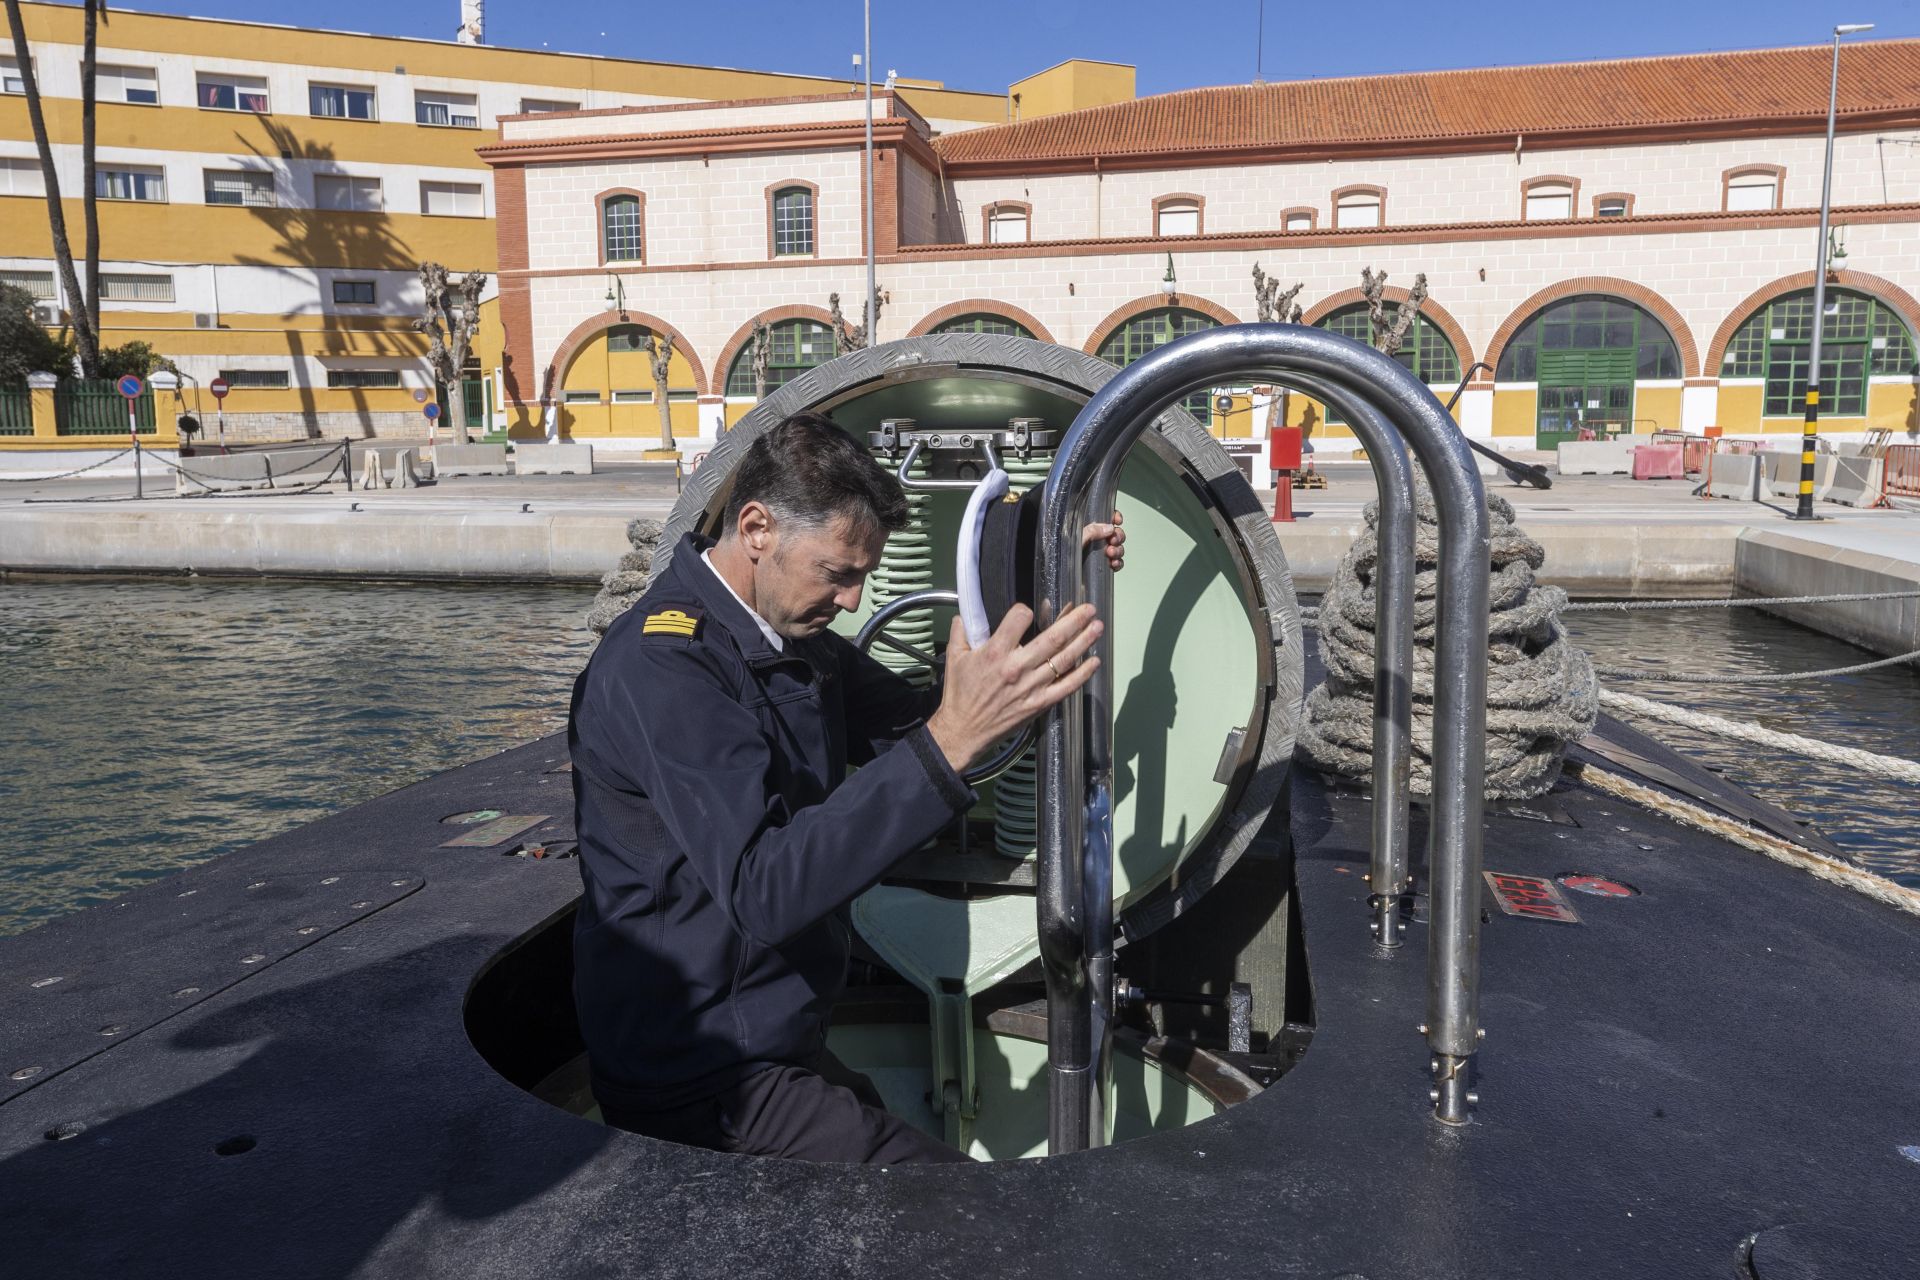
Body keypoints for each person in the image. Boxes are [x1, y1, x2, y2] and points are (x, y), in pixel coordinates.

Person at [568, 412, 1123, 1165]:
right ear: (757, 527)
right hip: (698, 1073)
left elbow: (932, 723)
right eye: (838, 573)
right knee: (975, 1220)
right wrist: (948, 740)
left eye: (864, 575)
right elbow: (765, 888)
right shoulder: (665, 668)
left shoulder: (791, 642)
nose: (857, 600)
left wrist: (1049, 572)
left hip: (768, 1038)